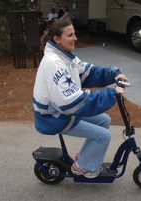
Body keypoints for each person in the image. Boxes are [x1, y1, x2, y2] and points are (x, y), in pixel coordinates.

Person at [33, 19, 127, 178]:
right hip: (53, 118)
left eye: (74, 33)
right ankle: (83, 167)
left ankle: (83, 159)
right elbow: (74, 103)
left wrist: (113, 73)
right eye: (70, 35)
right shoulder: (54, 63)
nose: (75, 38)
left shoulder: (65, 57)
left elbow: (87, 72)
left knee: (104, 120)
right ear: (57, 39)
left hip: (61, 112)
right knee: (104, 136)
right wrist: (112, 93)